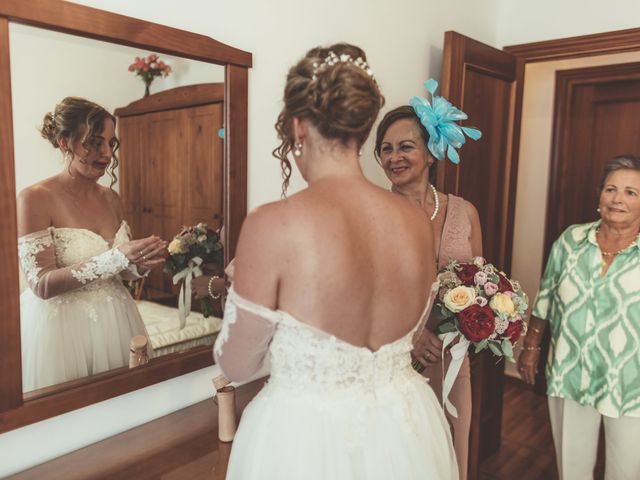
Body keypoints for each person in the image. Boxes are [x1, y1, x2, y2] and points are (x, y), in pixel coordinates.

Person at [213, 44, 458, 479]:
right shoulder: (417, 222)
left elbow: (237, 366)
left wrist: (242, 291)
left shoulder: (272, 225)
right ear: (363, 132)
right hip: (405, 432)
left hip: (303, 440)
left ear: (298, 125)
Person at [17, 97, 167, 391]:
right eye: (95, 143)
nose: (106, 153)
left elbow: (119, 271)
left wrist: (137, 265)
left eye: (111, 143)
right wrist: (117, 258)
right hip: (62, 331)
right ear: (64, 142)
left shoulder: (111, 198)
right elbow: (41, 284)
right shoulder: (34, 198)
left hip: (116, 321)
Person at [374, 103, 482, 480]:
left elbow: (478, 283)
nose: (394, 157)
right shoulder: (374, 213)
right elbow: (361, 295)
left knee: (454, 449)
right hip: (397, 361)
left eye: (405, 146)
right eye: (385, 149)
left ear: (432, 151)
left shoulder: (464, 211)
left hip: (454, 359)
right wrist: (412, 335)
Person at [518, 155, 640, 480]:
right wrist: (531, 347)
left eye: (631, 192)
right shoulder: (572, 240)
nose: (618, 199)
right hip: (570, 371)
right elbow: (545, 296)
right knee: (571, 469)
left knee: (627, 471)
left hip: (630, 383)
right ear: (599, 195)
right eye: (611, 189)